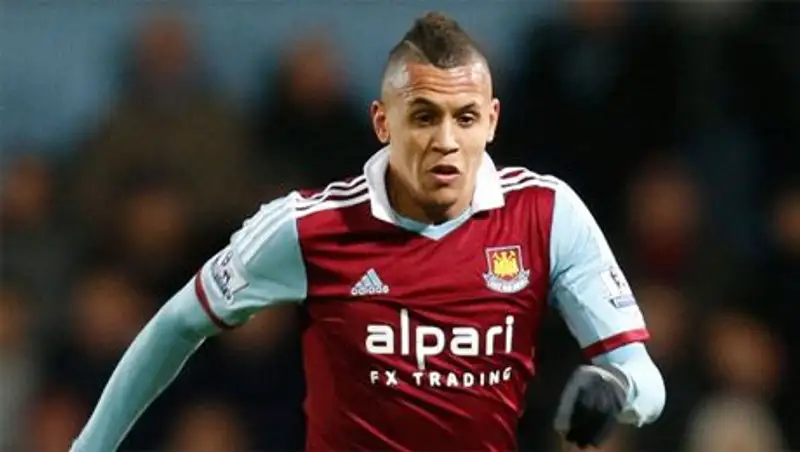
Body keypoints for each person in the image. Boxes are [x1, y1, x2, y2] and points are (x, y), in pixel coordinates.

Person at [70, 12, 665, 452]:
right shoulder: (310, 227)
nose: (446, 141)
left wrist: (616, 385)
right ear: (383, 122)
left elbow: (646, 379)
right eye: (424, 117)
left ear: (492, 120)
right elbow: (176, 324)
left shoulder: (546, 214)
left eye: (465, 118)